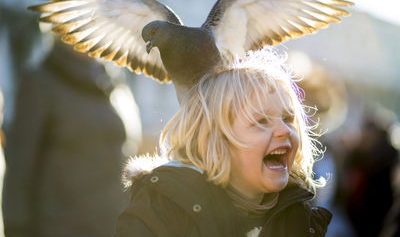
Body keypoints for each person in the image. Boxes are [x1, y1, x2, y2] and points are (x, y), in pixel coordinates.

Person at [115, 48, 332, 237]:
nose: (284, 130)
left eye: (287, 119)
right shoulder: (163, 208)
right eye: (261, 121)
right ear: (215, 140)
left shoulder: (299, 219)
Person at [2, 40, 134, 237]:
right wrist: (17, 228)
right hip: (58, 228)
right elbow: (19, 168)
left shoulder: (115, 81)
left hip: (112, 227)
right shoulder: (40, 82)